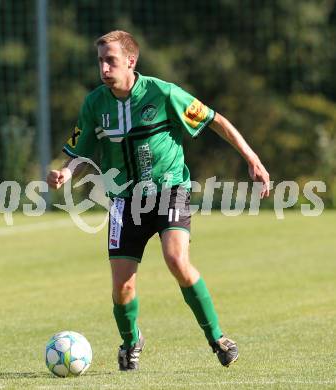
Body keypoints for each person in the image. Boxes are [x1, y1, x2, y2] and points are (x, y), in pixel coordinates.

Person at [47, 30, 270, 371]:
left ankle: (218, 339)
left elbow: (215, 120)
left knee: (176, 259)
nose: (104, 68)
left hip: (169, 191)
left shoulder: (162, 92)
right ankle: (130, 341)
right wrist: (65, 172)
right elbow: (78, 152)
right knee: (122, 286)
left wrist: (252, 158)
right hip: (124, 201)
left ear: (131, 61)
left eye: (111, 60)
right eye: (100, 61)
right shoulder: (95, 104)